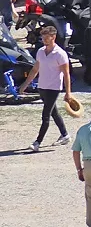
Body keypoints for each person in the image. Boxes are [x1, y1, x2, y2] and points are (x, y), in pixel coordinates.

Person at [24, 22, 72, 151]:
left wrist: (68, 93)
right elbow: (35, 69)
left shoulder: (60, 54)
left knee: (46, 115)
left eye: (46, 37)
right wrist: (25, 84)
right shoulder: (40, 52)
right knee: (54, 112)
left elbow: (66, 74)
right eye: (43, 37)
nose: (44, 40)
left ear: (53, 37)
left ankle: (37, 142)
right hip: (42, 86)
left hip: (54, 88)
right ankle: (65, 135)